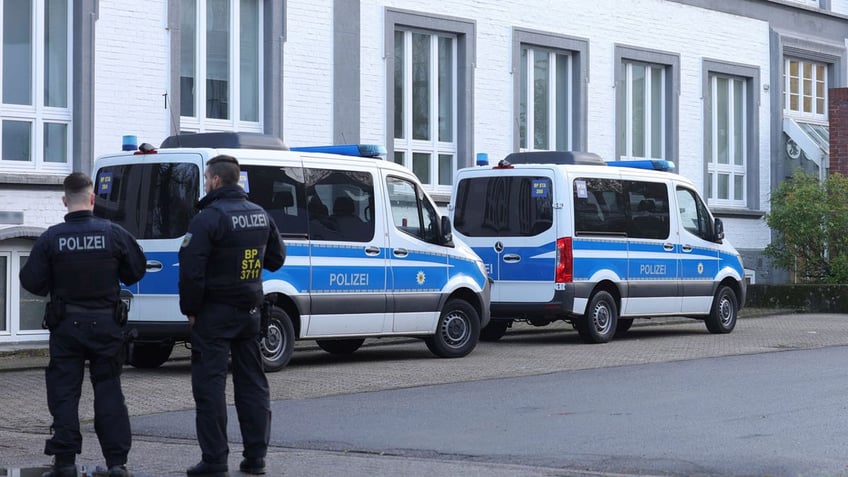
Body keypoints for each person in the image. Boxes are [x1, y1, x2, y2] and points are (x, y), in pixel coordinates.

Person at [19, 172, 146, 477]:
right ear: (92, 199)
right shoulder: (113, 233)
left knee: (64, 393)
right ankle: (117, 462)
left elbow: (30, 281)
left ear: (65, 200)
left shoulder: (51, 238)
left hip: (66, 327)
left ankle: (64, 461)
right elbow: (136, 271)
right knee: (109, 391)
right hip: (107, 326)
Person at [179, 154, 285, 477]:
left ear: (214, 180)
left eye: (206, 178)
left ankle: (214, 461)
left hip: (213, 314)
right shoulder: (260, 214)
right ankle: (256, 458)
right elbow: (277, 258)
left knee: (210, 387)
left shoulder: (207, 219)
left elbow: (191, 272)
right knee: (252, 384)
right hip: (250, 313)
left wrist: (192, 311)